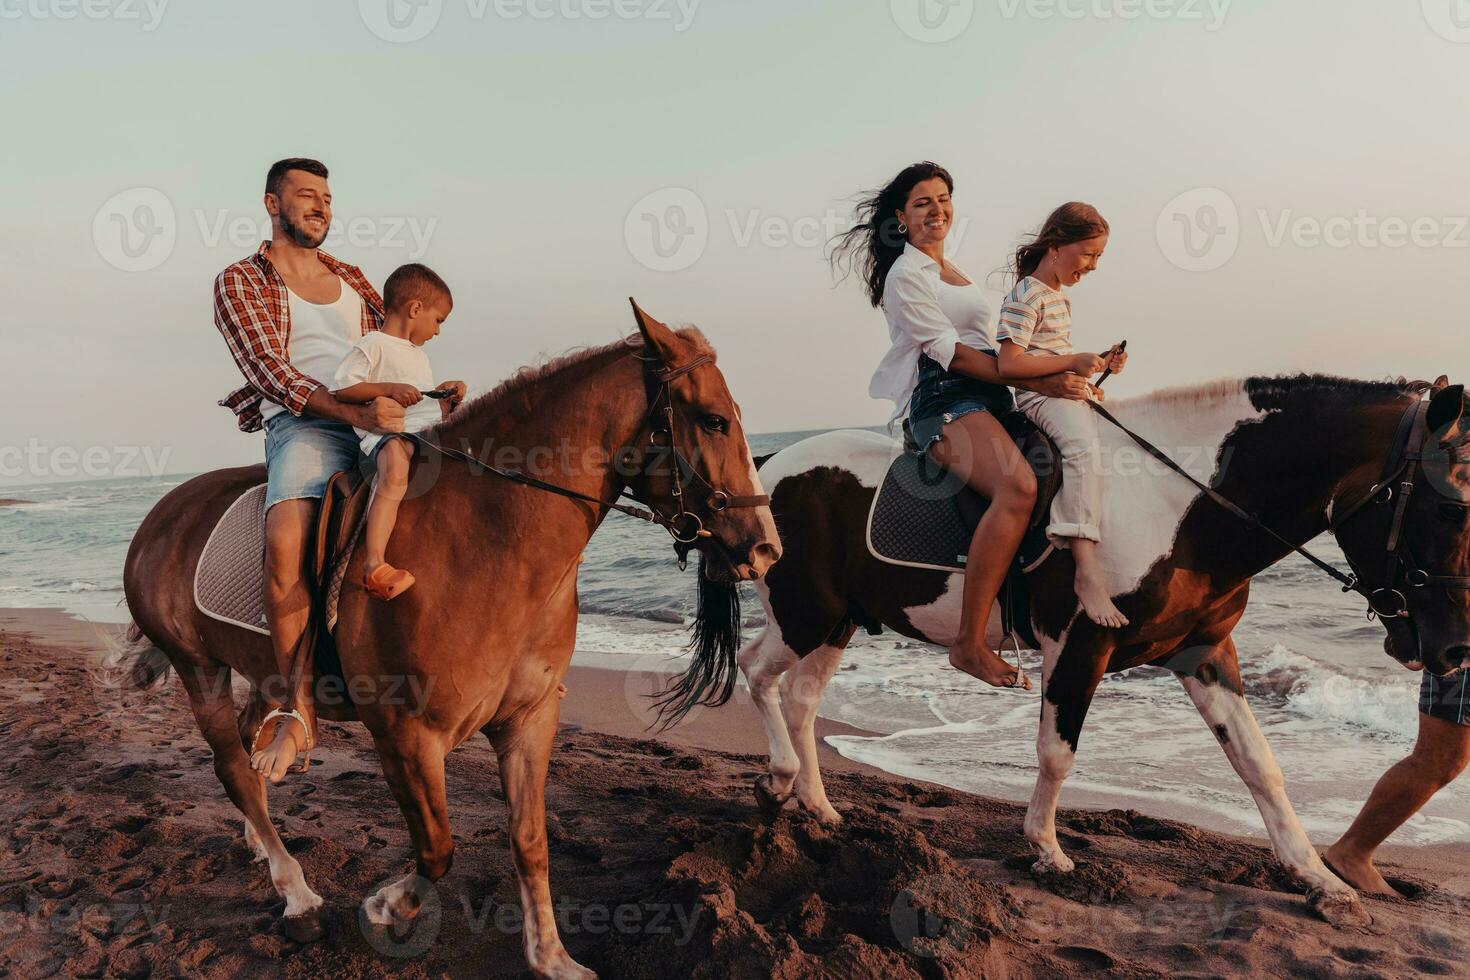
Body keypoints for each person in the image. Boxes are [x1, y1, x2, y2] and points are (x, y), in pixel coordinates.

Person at [833, 162, 1097, 689]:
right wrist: (1047, 380)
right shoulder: (905, 276)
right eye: (922, 203)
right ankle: (969, 642)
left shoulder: (958, 273)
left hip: (994, 394)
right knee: (1018, 487)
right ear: (900, 218)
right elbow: (950, 355)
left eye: (944, 198)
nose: (937, 210)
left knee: (1070, 459)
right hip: (944, 398)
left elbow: (1006, 350)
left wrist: (1062, 373)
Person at [213, 157, 405, 784]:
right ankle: (298, 708)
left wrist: (421, 394)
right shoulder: (242, 279)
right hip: (306, 422)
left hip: (380, 414)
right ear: (272, 204)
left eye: (327, 196)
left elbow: (397, 343)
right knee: (285, 542)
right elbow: (271, 370)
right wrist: (357, 412)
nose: (321, 206)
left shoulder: (354, 278)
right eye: (305, 195)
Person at [995, 202, 1129, 629]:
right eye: (1088, 254)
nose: (1092, 266)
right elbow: (1010, 365)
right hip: (1036, 398)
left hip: (1063, 389)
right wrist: (1075, 360)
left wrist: (1098, 363)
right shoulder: (1026, 294)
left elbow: (1050, 354)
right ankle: (1085, 568)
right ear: (1056, 246)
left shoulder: (1058, 298)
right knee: (1081, 449)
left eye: (1098, 258)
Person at [333, 263, 466, 600]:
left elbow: (420, 408)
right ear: (416, 308)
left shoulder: (418, 357)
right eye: (438, 321)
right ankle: (374, 564)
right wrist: (389, 388)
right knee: (395, 465)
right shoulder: (373, 343)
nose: (437, 332)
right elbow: (344, 389)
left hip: (420, 436)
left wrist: (444, 400)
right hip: (385, 437)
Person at [1326, 685, 1470, 895]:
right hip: (1460, 660)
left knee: (1441, 758)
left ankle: (1352, 851)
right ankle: (1351, 853)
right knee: (1441, 758)